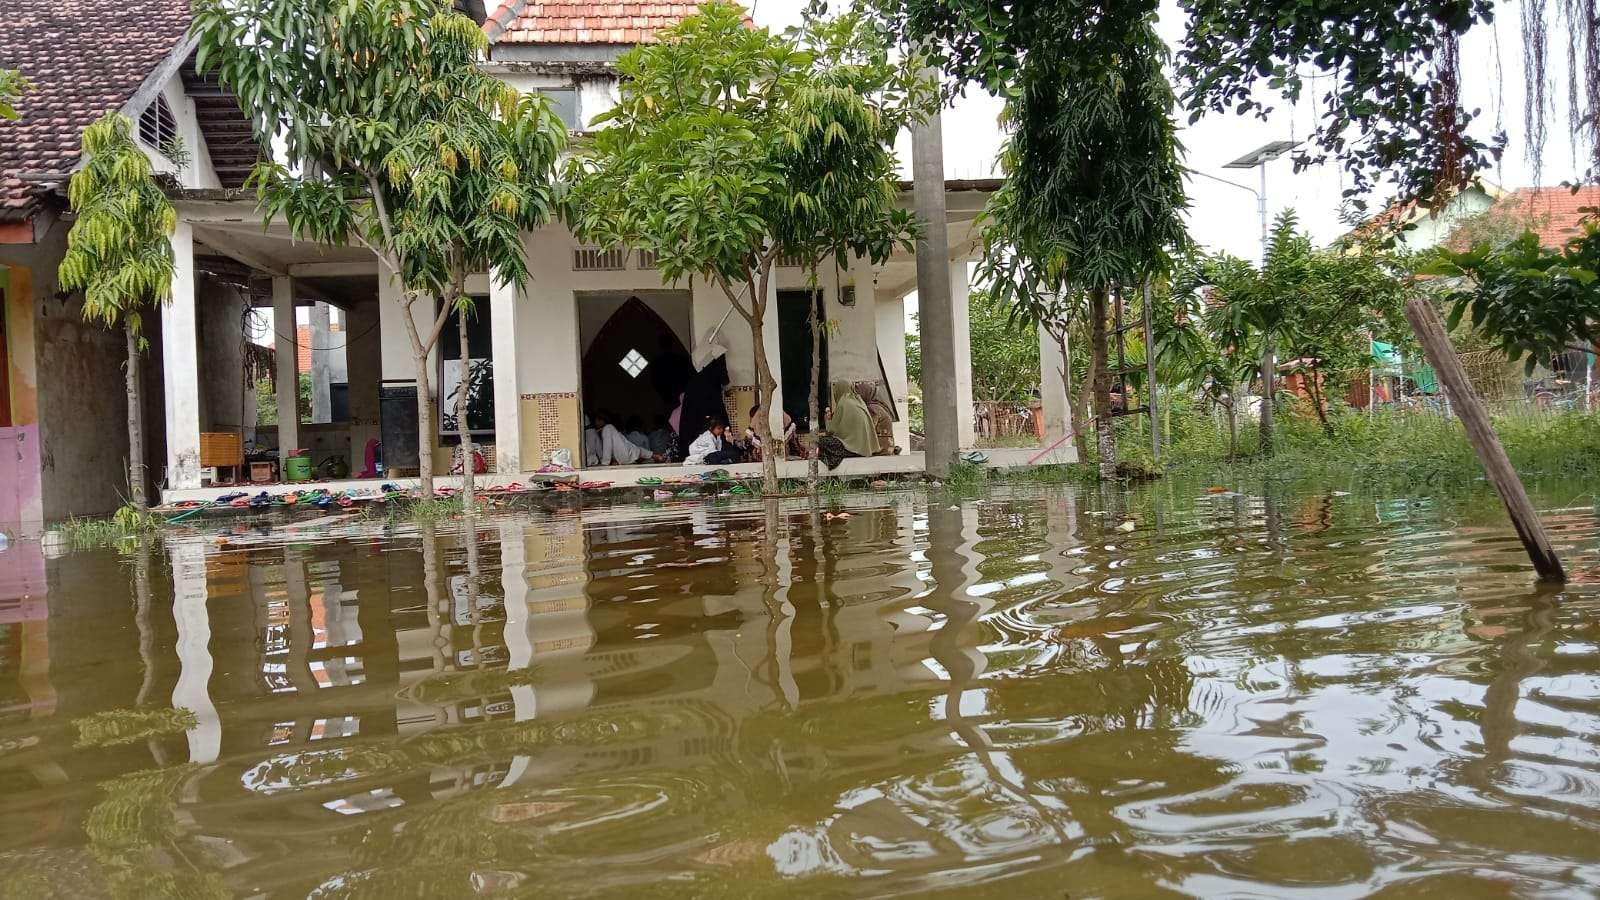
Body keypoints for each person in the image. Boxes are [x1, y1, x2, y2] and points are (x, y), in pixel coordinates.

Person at [678, 329, 730, 458]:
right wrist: (728, 387)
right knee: (716, 424)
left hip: (692, 398)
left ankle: (691, 454)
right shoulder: (717, 351)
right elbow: (723, 375)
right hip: (710, 397)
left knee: (694, 427)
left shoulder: (697, 354)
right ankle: (718, 454)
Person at [816, 380, 876, 470]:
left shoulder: (843, 403)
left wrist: (827, 420)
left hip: (851, 449)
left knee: (820, 441)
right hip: (865, 449)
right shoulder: (858, 401)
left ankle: (832, 460)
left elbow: (831, 431)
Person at [591, 411, 663, 465]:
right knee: (638, 451)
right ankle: (656, 456)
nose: (595, 422)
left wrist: (605, 464)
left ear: (602, 420)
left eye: (596, 419)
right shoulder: (606, 430)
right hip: (630, 454)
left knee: (638, 451)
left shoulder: (607, 428)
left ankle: (655, 456)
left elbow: (607, 448)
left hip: (627, 455)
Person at [856, 381, 897, 455]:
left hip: (881, 447)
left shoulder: (872, 408)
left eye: (859, 394)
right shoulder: (879, 405)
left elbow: (869, 428)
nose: (857, 397)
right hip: (887, 445)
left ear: (865, 394)